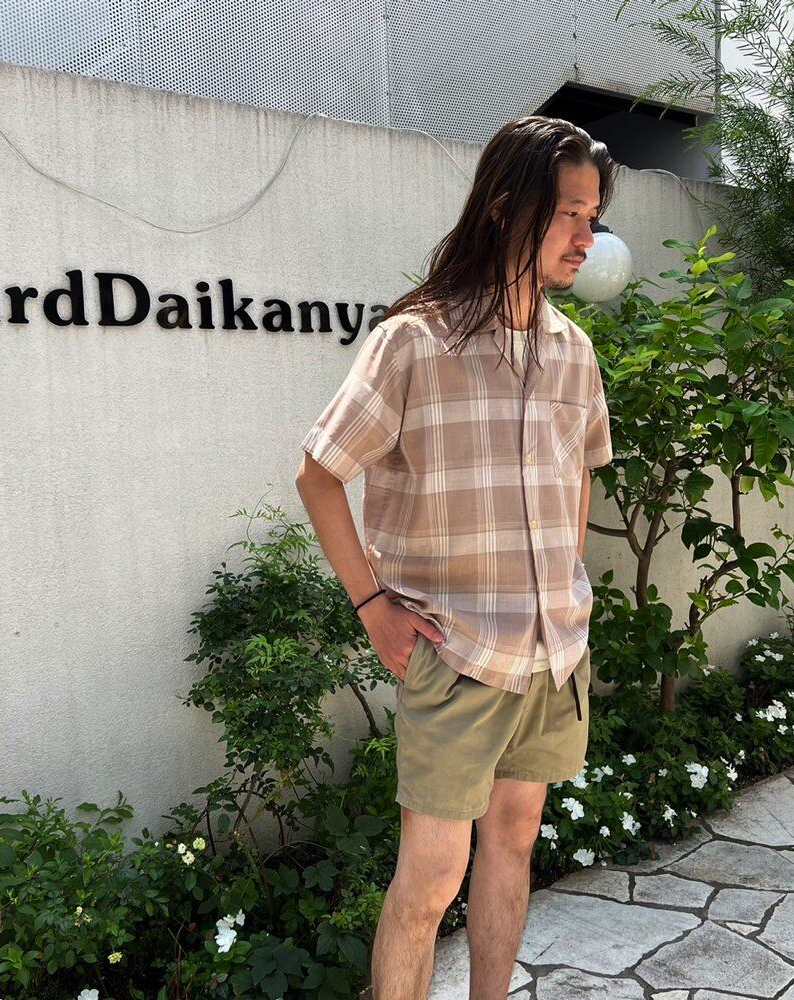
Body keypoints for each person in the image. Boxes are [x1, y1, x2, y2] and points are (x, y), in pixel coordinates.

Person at [295, 115, 617, 1000]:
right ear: (507, 208)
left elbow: (578, 479)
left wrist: (568, 587)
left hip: (554, 653)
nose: (586, 236)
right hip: (458, 652)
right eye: (570, 213)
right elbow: (319, 474)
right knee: (432, 879)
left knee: (514, 843)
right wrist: (372, 606)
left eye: (593, 217)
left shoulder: (574, 350)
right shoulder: (415, 342)